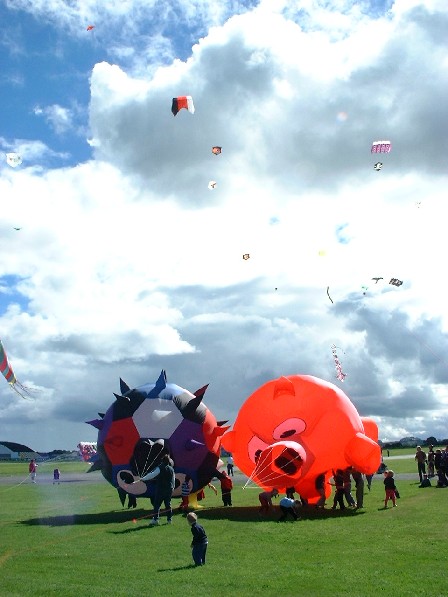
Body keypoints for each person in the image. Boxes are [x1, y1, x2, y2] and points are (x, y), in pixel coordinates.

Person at [139, 453, 175, 525]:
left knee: (157, 505)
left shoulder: (160, 468)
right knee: (168, 504)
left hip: (161, 489)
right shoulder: (171, 469)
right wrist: (173, 487)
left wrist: (143, 479)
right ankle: (169, 520)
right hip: (169, 489)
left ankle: (155, 520)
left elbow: (152, 475)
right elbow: (173, 479)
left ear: (162, 460)